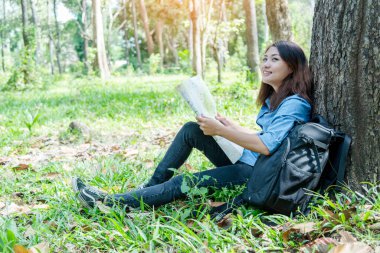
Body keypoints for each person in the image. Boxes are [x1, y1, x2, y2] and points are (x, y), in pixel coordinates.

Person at [72, 41, 313, 211]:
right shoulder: (274, 99)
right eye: (264, 59)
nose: (265, 64)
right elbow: (270, 137)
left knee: (181, 183)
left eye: (274, 59)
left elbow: (268, 147)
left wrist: (221, 131)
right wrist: (232, 127)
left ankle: (110, 203)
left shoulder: (294, 104)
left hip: (259, 175)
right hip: (252, 161)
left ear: (291, 67)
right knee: (191, 129)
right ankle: (152, 187)